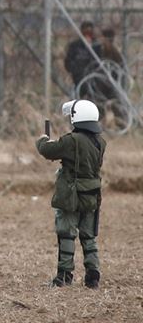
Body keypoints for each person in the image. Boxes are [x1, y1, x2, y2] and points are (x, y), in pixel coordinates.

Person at [36, 99, 106, 289]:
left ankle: (64, 276)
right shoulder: (101, 142)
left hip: (72, 195)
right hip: (92, 194)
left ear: (77, 118)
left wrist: (43, 138)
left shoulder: (72, 140)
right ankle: (93, 275)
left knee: (66, 234)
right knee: (88, 236)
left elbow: (47, 150)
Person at [63, 21, 101, 99]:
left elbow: (101, 63)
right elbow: (68, 64)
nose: (87, 36)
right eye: (85, 33)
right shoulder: (75, 46)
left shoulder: (97, 46)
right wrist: (77, 69)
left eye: (89, 33)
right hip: (78, 79)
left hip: (93, 80)